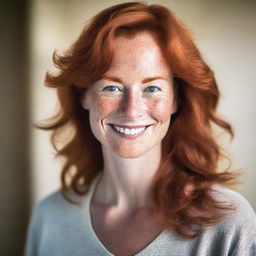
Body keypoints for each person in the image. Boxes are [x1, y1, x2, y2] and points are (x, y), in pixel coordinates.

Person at [25, 2, 256, 256]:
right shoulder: (49, 218)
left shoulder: (229, 222)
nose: (131, 110)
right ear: (84, 95)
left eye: (152, 88)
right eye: (111, 87)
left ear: (176, 100)